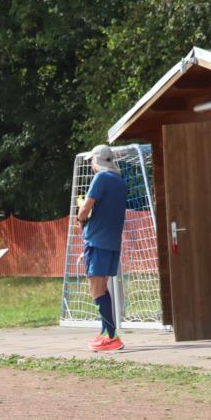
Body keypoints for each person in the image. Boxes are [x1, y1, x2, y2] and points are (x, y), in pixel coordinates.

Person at [76, 144, 127, 352]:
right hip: (112, 242)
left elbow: (86, 207)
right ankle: (106, 331)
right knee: (102, 288)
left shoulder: (101, 178)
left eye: (91, 162)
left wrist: (80, 217)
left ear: (97, 161)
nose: (91, 167)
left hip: (97, 240)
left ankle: (111, 336)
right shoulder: (120, 181)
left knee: (96, 289)